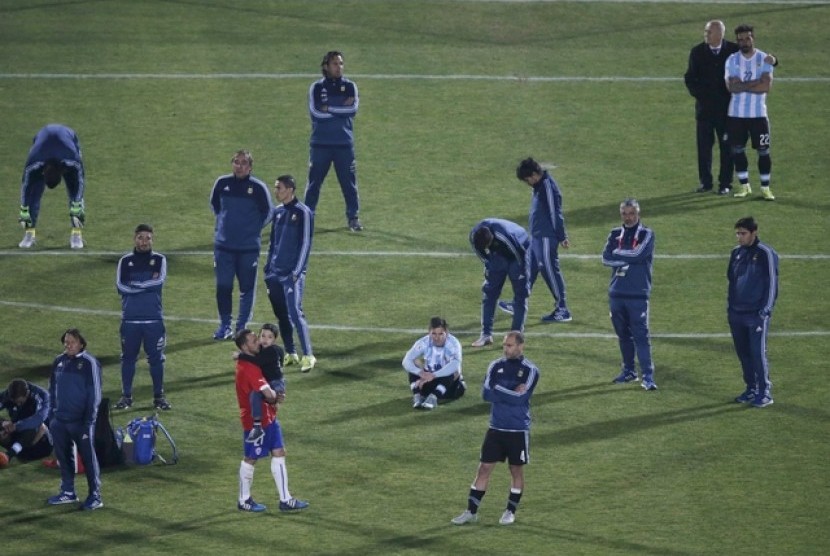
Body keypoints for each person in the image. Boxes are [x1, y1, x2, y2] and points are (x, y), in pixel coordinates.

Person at [451, 331, 539, 526]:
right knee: (483, 469)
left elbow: (521, 399)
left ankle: (510, 511)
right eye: (504, 345)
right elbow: (486, 394)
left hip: (517, 430)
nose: (506, 349)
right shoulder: (495, 365)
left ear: (520, 346)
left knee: (516, 470)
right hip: (496, 428)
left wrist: (498, 390)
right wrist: (508, 392)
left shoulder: (531, 370)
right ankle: (471, 511)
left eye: (509, 345)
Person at [685, 21, 778, 196]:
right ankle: (705, 183)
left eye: (708, 31)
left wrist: (774, 61)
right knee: (704, 148)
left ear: (719, 34)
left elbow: (759, 59)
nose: (705, 34)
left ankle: (725, 183)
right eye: (705, 31)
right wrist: (701, 96)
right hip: (704, 110)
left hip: (726, 110)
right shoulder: (697, 52)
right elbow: (690, 78)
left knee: (727, 148)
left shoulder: (734, 50)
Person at [234, 329, 308, 513]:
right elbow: (267, 393)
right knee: (251, 457)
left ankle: (285, 499)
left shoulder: (253, 361)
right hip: (255, 423)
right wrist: (277, 397)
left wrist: (274, 398)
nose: (258, 342)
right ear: (244, 346)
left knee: (279, 452)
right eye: (253, 341)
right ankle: (244, 500)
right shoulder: (248, 369)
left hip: (268, 418)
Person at [210, 149, 274, 340]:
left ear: (250, 167)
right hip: (224, 247)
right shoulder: (222, 184)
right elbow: (215, 206)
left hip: (248, 248)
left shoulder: (258, 188)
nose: (239, 166)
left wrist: (253, 229)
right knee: (223, 287)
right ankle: (224, 325)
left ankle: (241, 327)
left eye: (243, 163)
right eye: (236, 162)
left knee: (246, 288)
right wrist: (224, 225)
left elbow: (268, 213)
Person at [500, 157, 572, 323]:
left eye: (527, 180)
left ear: (533, 175)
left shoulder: (547, 187)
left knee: (550, 271)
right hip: (536, 237)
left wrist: (562, 236)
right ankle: (518, 303)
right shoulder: (540, 187)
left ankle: (562, 309)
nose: (528, 183)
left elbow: (556, 213)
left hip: (546, 237)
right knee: (527, 270)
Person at [601, 199, 658, 391]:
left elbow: (639, 255)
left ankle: (648, 376)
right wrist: (623, 256)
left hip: (638, 294)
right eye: (625, 213)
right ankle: (629, 371)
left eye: (632, 213)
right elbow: (605, 258)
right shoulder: (615, 233)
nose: (628, 217)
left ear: (638, 214)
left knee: (641, 335)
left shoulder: (647, 234)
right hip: (616, 293)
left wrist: (619, 254)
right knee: (623, 335)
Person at [114, 224, 170, 411]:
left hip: (154, 320)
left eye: (147, 238)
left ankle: (159, 397)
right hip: (130, 320)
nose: (144, 241)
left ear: (152, 240)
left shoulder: (160, 260)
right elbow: (120, 287)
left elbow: (159, 282)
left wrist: (135, 286)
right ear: (134, 239)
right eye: (140, 237)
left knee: (156, 359)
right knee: (128, 359)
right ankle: (126, 397)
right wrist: (145, 286)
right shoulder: (125, 261)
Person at [306, 50, 363, 231]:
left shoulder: (350, 87)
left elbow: (352, 111)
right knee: (314, 183)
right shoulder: (316, 88)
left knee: (349, 184)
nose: (339, 67)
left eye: (341, 64)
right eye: (335, 64)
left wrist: (329, 108)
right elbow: (316, 114)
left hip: (344, 146)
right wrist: (339, 109)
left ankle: (353, 218)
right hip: (320, 145)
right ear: (326, 66)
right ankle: (307, 217)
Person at [46, 328, 103, 510]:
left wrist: (89, 421)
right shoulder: (59, 361)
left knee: (88, 458)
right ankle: (68, 492)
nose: (68, 345)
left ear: (81, 344)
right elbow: (52, 389)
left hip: (81, 422)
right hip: (60, 421)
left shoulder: (89, 363)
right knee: (64, 457)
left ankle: (95, 496)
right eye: (66, 342)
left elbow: (95, 394)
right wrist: (52, 416)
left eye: (72, 342)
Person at [264, 175, 316, 373]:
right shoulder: (277, 212)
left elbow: (305, 244)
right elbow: (272, 242)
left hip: (291, 275)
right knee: (281, 315)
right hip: (274, 274)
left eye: (279, 188)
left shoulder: (303, 212)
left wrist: (297, 271)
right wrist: (268, 267)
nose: (275, 191)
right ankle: (291, 353)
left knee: (295, 313)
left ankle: (308, 355)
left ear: (290, 190)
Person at [728, 217, 778, 408]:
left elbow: (772, 283)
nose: (739, 237)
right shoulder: (736, 253)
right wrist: (730, 308)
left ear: (753, 233)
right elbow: (731, 281)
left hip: (756, 314)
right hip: (736, 313)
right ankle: (751, 388)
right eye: (737, 233)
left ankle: (765, 392)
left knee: (757, 353)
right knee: (743, 354)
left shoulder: (765, 253)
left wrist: (765, 310)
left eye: (743, 233)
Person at [725, 24, 776, 201]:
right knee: (737, 150)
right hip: (736, 115)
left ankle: (765, 188)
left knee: (763, 151)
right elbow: (732, 87)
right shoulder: (732, 60)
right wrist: (755, 82)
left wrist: (744, 85)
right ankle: (744, 185)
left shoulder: (765, 59)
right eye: (740, 39)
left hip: (758, 115)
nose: (744, 42)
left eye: (747, 38)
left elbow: (766, 86)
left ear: (753, 38)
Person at [17, 124, 87, 249]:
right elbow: (26, 185)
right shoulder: (34, 162)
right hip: (42, 140)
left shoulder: (72, 159)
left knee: (75, 194)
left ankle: (76, 234)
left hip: (69, 138)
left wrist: (77, 204)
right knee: (34, 194)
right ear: (43, 172)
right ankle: (29, 234)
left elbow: (80, 180)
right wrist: (23, 209)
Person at [469, 218, 532, 348]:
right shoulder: (473, 237)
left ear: (491, 238)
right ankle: (486, 335)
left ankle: (515, 337)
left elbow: (520, 254)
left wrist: (522, 274)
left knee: (520, 295)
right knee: (489, 293)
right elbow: (482, 256)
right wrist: (489, 264)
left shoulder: (504, 235)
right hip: (497, 255)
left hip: (519, 250)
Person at [402, 317, 466, 410]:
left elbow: (455, 365)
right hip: (428, 383)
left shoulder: (453, 344)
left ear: (446, 333)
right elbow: (406, 360)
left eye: (441, 334)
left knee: (453, 369)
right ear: (429, 332)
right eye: (434, 334)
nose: (437, 338)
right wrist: (421, 373)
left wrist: (433, 375)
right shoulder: (424, 342)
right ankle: (417, 396)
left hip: (450, 388)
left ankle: (434, 397)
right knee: (414, 362)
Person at [245, 324, 286, 443]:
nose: (265, 339)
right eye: (262, 336)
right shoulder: (266, 350)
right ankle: (259, 427)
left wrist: (241, 355)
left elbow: (257, 361)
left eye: (269, 337)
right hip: (271, 382)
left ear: (274, 340)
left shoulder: (272, 350)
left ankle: (260, 428)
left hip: (275, 384)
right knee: (256, 396)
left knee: (258, 396)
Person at [0, 379, 53, 462]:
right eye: (15, 402)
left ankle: (9, 455)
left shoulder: (42, 396)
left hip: (40, 441)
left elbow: (38, 419)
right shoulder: (8, 395)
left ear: (27, 393)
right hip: (19, 434)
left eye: (20, 402)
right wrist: (3, 423)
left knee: (36, 427)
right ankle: (13, 450)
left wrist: (16, 426)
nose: (18, 404)